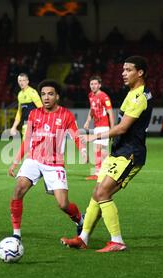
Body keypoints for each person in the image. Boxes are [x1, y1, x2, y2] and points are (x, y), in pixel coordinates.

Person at [61, 56, 153, 252]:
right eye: (123, 69)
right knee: (97, 193)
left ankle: (117, 241)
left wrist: (93, 138)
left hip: (130, 154)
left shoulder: (140, 97)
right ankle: (83, 238)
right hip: (118, 152)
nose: (123, 73)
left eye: (128, 70)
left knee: (103, 192)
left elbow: (122, 128)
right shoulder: (132, 93)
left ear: (140, 72)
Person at [8, 80, 87, 240]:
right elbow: (27, 139)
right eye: (43, 94)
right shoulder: (34, 114)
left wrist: (83, 151)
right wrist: (16, 161)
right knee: (18, 190)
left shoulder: (66, 115)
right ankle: (16, 234)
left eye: (50, 94)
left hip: (54, 164)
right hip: (34, 160)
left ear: (57, 96)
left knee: (63, 204)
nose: (46, 97)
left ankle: (79, 219)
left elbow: (76, 136)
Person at [83, 76, 115, 180]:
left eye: (95, 84)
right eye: (91, 84)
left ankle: (97, 173)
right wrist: (88, 120)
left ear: (100, 85)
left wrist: (113, 129)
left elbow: (110, 112)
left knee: (97, 149)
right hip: (97, 126)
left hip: (104, 126)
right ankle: (112, 167)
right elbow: (92, 109)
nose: (93, 86)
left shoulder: (104, 96)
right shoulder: (90, 95)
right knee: (103, 151)